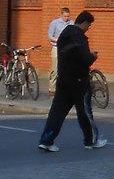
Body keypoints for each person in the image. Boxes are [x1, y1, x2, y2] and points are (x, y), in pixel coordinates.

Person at [38, 10, 107, 152]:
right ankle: (91, 140)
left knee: (57, 112)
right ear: (84, 23)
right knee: (85, 112)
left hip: (63, 79)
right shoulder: (79, 37)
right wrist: (93, 56)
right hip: (79, 80)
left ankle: (46, 140)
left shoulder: (64, 34)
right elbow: (85, 59)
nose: (88, 28)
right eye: (89, 25)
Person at [47, 4, 71, 83]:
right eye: (65, 16)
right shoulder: (54, 23)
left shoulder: (71, 23)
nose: (66, 18)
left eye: (68, 16)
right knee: (55, 70)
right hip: (56, 48)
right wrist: (58, 40)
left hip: (67, 48)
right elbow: (50, 36)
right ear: (61, 15)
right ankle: (52, 87)